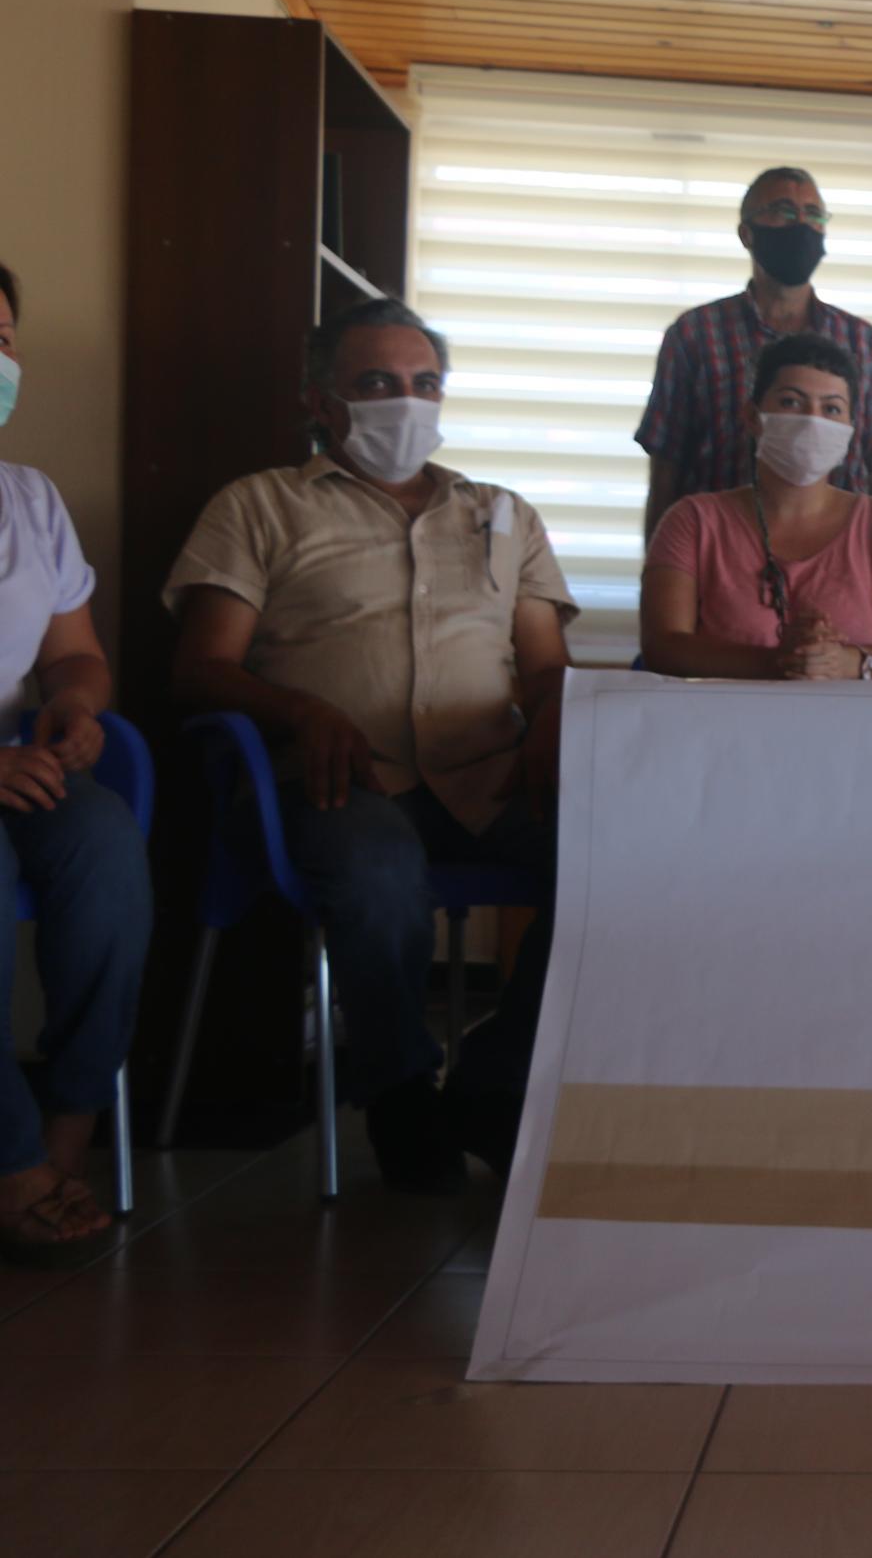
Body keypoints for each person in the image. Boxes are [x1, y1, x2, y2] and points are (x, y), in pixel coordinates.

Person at [168, 298, 578, 1194]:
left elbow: (546, 666)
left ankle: (492, 1079)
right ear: (322, 401)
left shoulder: (501, 511)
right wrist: (299, 709)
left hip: (488, 774)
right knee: (378, 874)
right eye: (379, 382)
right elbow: (201, 667)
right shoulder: (259, 505)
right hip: (340, 778)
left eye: (425, 383)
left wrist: (554, 714)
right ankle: (399, 1090)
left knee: (622, 860)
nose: (407, 401)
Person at [0, 263, 152, 1266]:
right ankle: (11, 1164)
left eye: (2, 339)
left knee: (106, 854)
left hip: (25, 764)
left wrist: (76, 707)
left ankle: (67, 1129)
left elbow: (74, 654)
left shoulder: (30, 499)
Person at [641, 333, 872, 680]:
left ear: (849, 429)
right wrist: (777, 662)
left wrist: (846, 662)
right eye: (791, 402)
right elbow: (662, 648)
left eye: (831, 408)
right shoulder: (692, 522)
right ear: (752, 417)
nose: (812, 420)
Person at [636, 166, 872, 537]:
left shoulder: (863, 342)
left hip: (840, 555)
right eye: (784, 211)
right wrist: (659, 562)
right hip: (719, 550)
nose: (801, 225)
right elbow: (667, 465)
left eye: (813, 214)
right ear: (747, 234)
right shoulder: (695, 334)